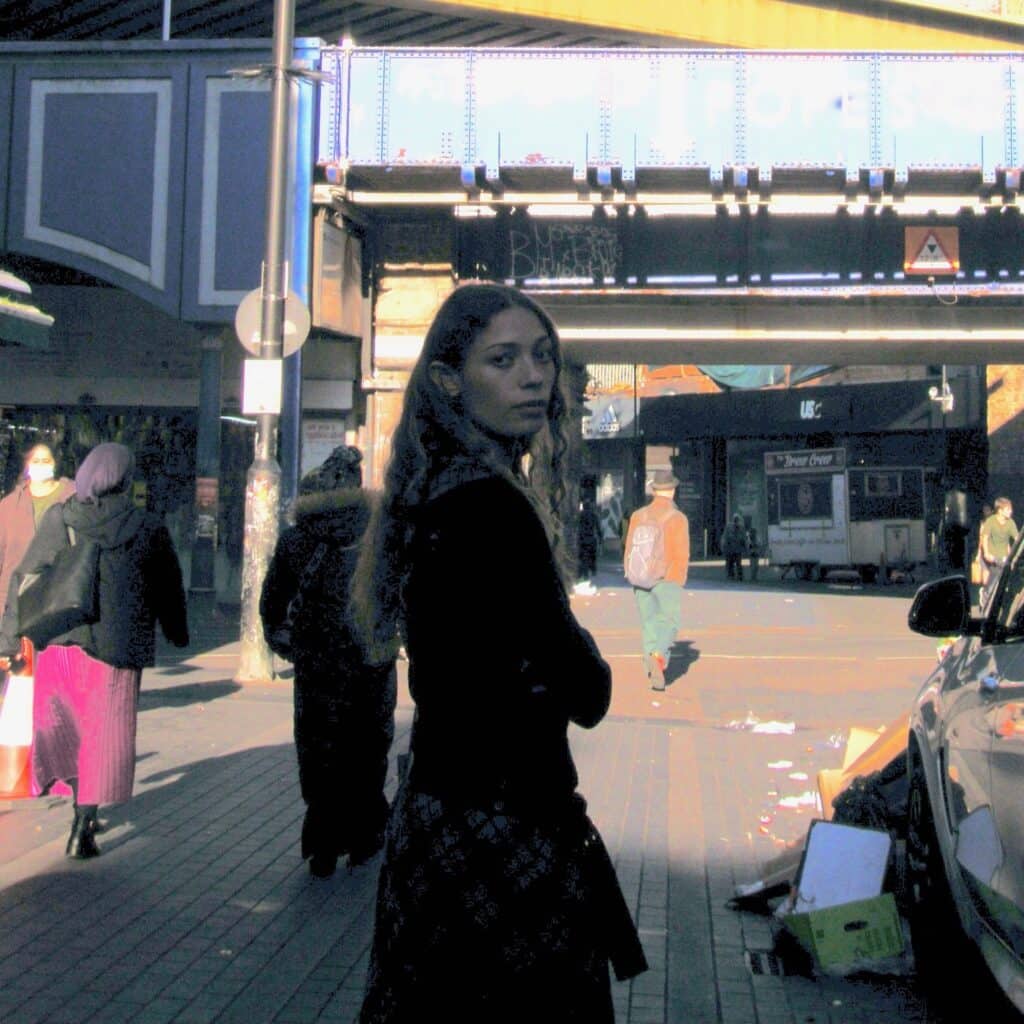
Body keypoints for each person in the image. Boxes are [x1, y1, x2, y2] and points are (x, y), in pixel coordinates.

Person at [351, 283, 647, 1022]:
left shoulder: (440, 492)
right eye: (504, 359)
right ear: (452, 381)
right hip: (506, 842)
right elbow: (589, 692)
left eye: (543, 357)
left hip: (438, 825)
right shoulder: (494, 507)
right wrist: (576, 654)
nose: (533, 376)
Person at [0, 442, 188, 859]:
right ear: (125, 479)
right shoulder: (146, 525)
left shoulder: (62, 517)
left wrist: (10, 640)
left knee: (69, 732)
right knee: (102, 737)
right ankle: (83, 823)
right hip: (117, 650)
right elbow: (167, 587)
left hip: (62, 644)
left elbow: (25, 578)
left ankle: (78, 806)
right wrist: (177, 632)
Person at [259, 445, 397, 879]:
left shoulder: (297, 538)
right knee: (368, 746)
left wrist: (288, 646)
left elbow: (272, 605)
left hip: (316, 663)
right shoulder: (378, 535)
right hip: (370, 660)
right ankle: (365, 837)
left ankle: (321, 842)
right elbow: (398, 594)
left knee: (319, 746)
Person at [622, 470, 689, 691]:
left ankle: (650, 667)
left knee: (648, 623)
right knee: (669, 621)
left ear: (654, 490)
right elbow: (681, 555)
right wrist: (678, 580)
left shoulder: (638, 515)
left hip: (639, 576)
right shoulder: (678, 518)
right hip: (666, 577)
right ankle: (659, 658)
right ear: (672, 490)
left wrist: (630, 572)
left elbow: (629, 546)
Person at [0, 443, 76, 618]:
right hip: (14, 606)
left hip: (58, 603)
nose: (41, 465)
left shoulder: (73, 497)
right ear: (27, 465)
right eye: (36, 460)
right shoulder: (9, 506)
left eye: (46, 460)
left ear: (54, 464)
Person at [980, 496, 1019, 606]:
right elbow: (985, 538)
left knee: (1003, 579)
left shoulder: (1010, 523)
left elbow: (1016, 539)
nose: (1011, 511)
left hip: (1004, 556)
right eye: (1008, 509)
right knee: (994, 577)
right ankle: (985, 594)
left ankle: (996, 599)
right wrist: (986, 553)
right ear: (1000, 510)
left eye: (1011, 509)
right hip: (992, 556)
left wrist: (1012, 554)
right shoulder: (991, 521)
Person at [577, 495, 601, 581]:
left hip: (582, 538)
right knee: (592, 555)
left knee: (582, 556)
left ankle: (582, 572)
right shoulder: (594, 515)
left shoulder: (580, 515)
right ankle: (593, 569)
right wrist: (600, 538)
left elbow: (576, 526)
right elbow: (598, 528)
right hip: (591, 538)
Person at [721, 513, 748, 581]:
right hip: (730, 549)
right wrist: (724, 546)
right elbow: (725, 536)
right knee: (730, 563)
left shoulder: (741, 527)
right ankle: (731, 575)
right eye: (735, 520)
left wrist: (745, 547)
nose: (736, 521)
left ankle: (740, 576)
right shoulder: (729, 527)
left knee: (738, 563)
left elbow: (744, 538)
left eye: (737, 520)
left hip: (738, 549)